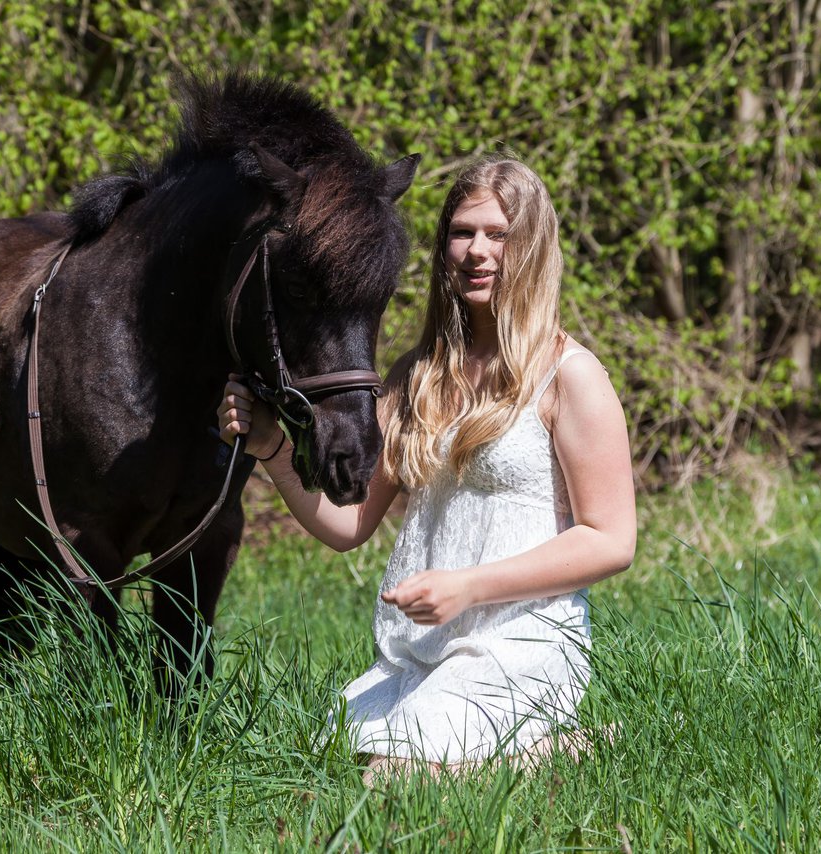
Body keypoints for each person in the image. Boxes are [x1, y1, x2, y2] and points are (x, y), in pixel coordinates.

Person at [218, 156, 636, 782]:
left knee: (390, 778)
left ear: (534, 246)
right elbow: (349, 524)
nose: (477, 251)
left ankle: (583, 746)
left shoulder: (569, 376)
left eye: (499, 235)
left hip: (520, 642)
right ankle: (539, 749)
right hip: (420, 652)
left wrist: (469, 587)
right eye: (463, 233)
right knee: (326, 761)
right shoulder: (418, 376)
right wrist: (272, 449)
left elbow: (611, 540)